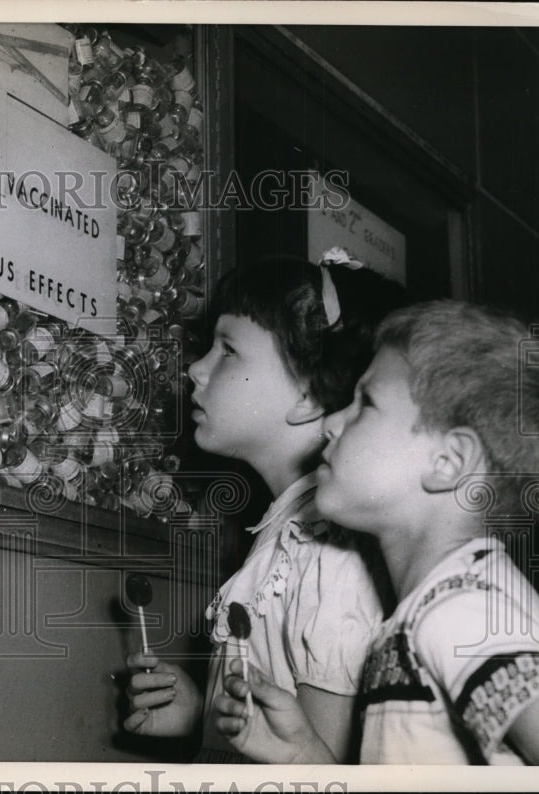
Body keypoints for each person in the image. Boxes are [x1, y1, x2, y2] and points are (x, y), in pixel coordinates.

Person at [213, 300, 539, 764]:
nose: (334, 422)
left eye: (367, 403)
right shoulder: (423, 613)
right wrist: (303, 755)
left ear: (448, 462)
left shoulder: (463, 610)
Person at [123, 252, 407, 762]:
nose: (195, 368)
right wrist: (202, 715)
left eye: (228, 349)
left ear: (308, 394)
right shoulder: (286, 532)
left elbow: (324, 765)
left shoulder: (330, 555)